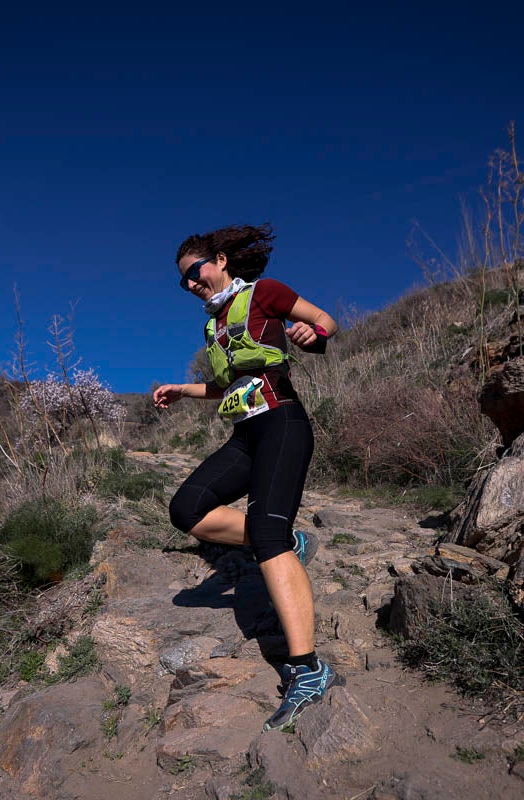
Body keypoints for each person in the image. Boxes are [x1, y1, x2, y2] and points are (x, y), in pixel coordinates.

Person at [153, 223, 342, 730]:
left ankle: (308, 671)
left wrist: (314, 333)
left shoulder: (266, 292)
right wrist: (181, 389)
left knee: (266, 534)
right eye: (183, 282)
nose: (191, 284)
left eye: (195, 273)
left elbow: (325, 320)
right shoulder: (214, 326)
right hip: (244, 434)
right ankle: (288, 542)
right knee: (186, 509)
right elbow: (223, 386)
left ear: (219, 260)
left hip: (282, 421)